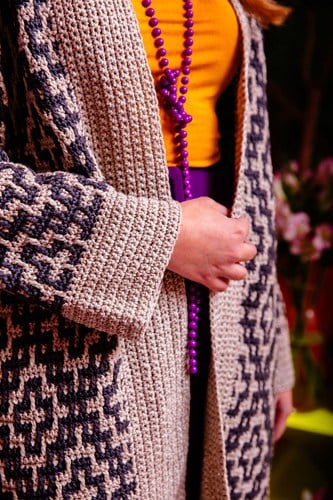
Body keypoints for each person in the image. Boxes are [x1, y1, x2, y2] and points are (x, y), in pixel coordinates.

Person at [0, 0, 294, 498]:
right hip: (69, 355)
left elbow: (252, 177)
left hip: (224, 324)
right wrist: (159, 238)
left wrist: (269, 346)